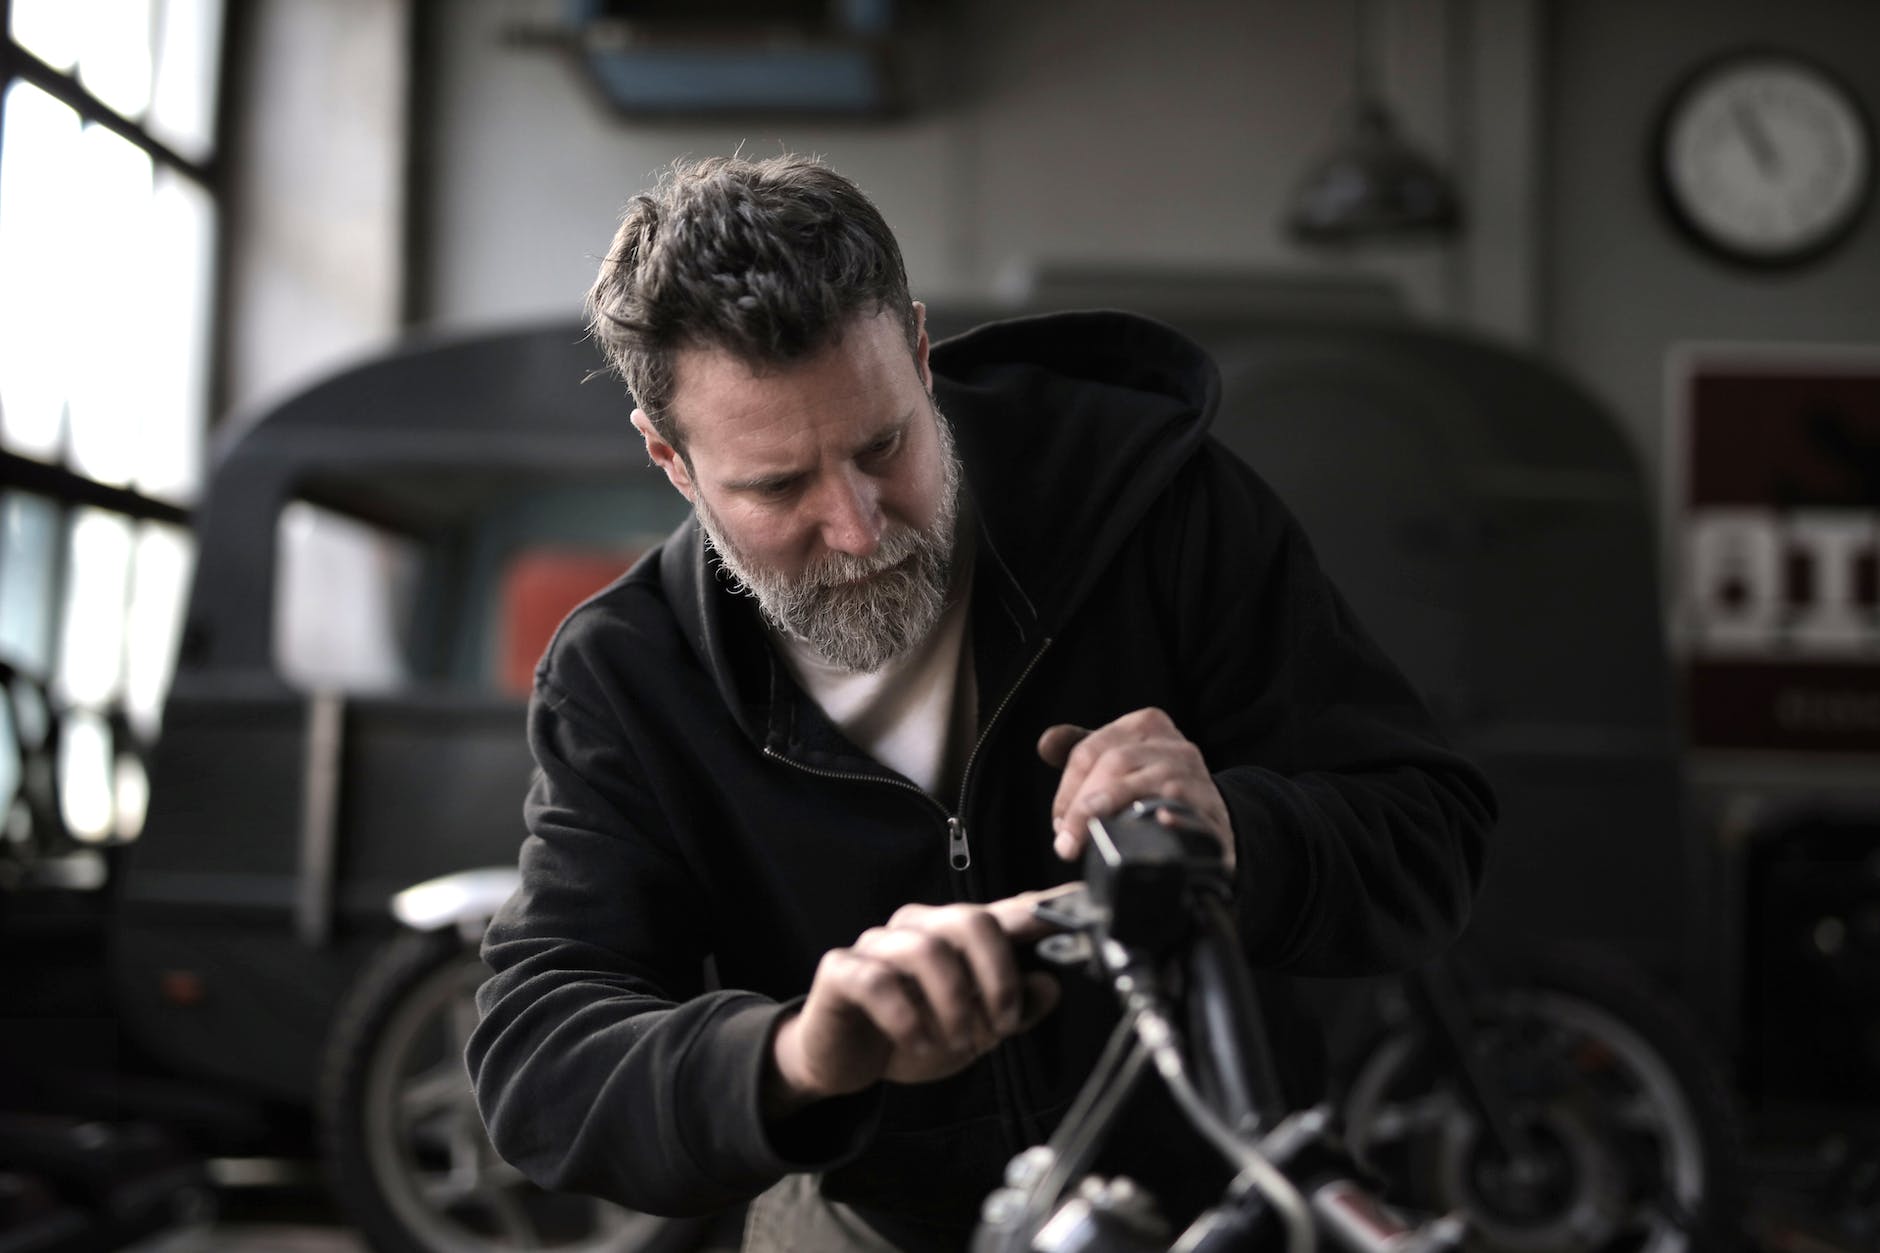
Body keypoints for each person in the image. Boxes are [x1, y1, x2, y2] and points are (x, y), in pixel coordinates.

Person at [465, 153, 1498, 1251]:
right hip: (869, 1220)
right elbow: (538, 1060)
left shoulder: (1157, 502)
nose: (859, 528)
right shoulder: (626, 674)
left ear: (916, 351)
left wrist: (1238, 830)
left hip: (1218, 1202)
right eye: (777, 486)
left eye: (883, 444)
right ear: (670, 459)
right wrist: (800, 1054)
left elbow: (1430, 838)